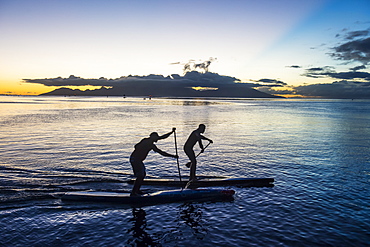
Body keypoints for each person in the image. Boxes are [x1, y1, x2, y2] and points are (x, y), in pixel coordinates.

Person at [130, 128, 178, 196]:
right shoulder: (146, 141)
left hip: (138, 160)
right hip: (135, 159)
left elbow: (162, 150)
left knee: (142, 175)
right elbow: (136, 146)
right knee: (141, 175)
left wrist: (171, 132)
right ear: (152, 137)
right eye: (156, 138)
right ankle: (134, 193)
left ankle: (136, 191)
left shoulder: (152, 145)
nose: (157, 140)